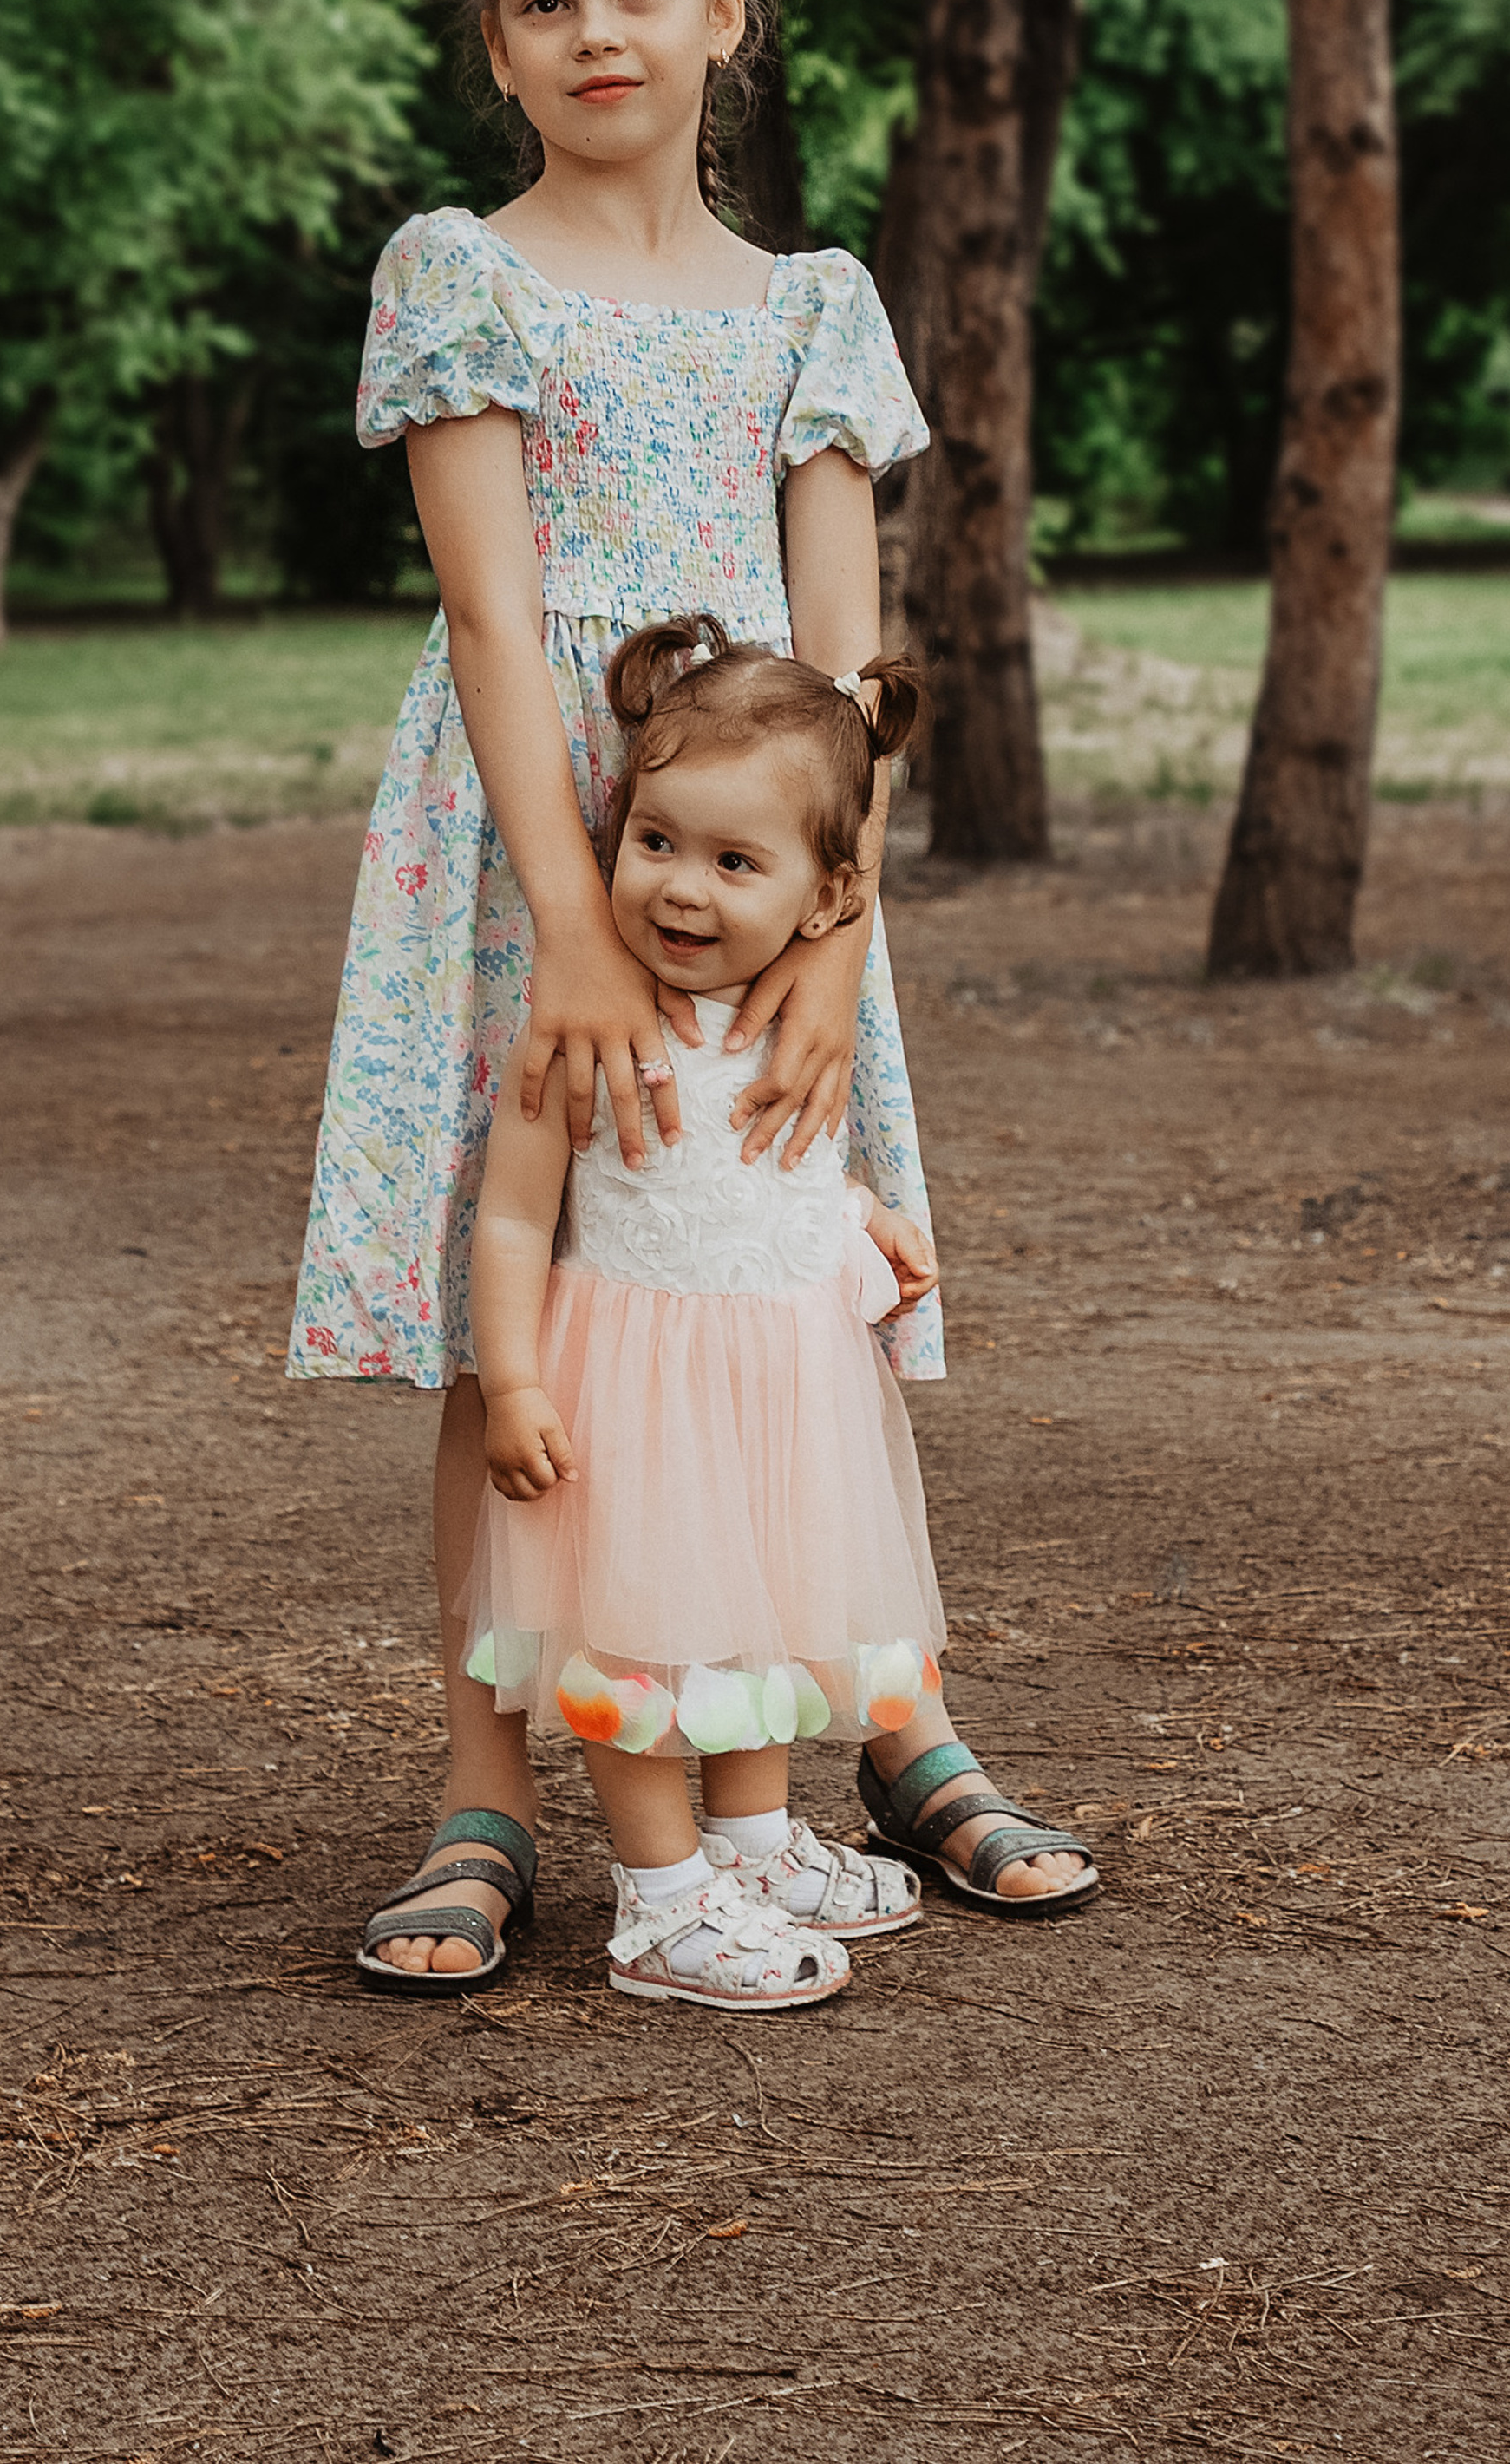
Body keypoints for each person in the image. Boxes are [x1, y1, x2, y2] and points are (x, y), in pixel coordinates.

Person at [288, 0, 1097, 1990]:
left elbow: (843, 677)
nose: (597, 31)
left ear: (724, 15)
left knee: (778, 1281)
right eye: (545, 0)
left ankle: (883, 1722)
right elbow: (484, 624)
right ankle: (488, 1783)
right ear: (494, 42)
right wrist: (561, 915)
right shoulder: (461, 275)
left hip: (774, 865)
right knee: (537, 1290)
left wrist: (840, 944)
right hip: (533, 840)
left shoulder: (808, 308)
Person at [463, 618, 1095, 2009]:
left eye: (735, 863)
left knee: (761, 1624)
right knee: (641, 1643)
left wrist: (865, 1226)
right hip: (635, 1399)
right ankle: (660, 1897)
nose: (681, 890)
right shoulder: (586, 1035)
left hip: (783, 1393)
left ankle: (748, 1844)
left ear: (828, 898)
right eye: (656, 843)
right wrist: (512, 1383)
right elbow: (513, 1216)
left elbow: (780, 1175)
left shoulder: (799, 1031)